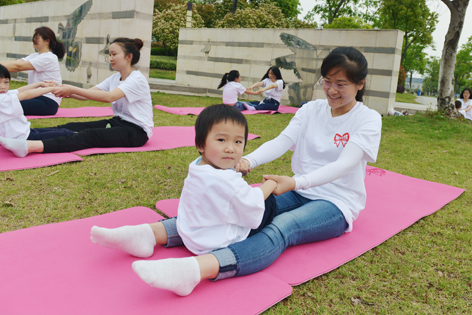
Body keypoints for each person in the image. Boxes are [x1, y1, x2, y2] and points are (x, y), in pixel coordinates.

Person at [127, 47, 382, 297]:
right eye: (327, 82)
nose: (332, 90)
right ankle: (150, 233)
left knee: (283, 226)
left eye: (341, 84)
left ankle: (198, 269)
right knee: (237, 206)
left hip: (335, 202)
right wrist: (247, 160)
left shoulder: (368, 119)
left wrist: (294, 182)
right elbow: (282, 141)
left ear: (360, 84)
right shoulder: (311, 110)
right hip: (300, 189)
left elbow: (344, 165)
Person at [89, 104, 279, 295]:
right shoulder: (227, 180)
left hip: (191, 232)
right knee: (270, 214)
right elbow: (253, 202)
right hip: (215, 243)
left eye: (238, 142)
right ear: (201, 145)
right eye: (222, 140)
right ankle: (193, 269)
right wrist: (270, 185)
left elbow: (221, 182)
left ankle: (144, 234)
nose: (230, 149)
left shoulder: (198, 165)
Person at [0, 38, 153, 157]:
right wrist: (60, 89)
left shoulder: (137, 79)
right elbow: (85, 95)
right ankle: (23, 136)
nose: (110, 58)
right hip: (118, 122)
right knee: (72, 126)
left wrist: (70, 88)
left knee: (89, 136)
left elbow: (109, 97)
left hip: (136, 132)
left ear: (129, 56)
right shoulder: (115, 78)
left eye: (114, 54)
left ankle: (31, 146)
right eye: (109, 55)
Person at [0, 26, 64, 116]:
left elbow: (18, 67)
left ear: (47, 41)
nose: (34, 40)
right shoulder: (34, 56)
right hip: (34, 96)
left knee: (6, 105)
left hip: (47, 101)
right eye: (34, 37)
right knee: (5, 101)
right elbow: (15, 63)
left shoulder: (49, 57)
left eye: (37, 38)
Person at [0, 64, 75, 141]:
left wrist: (40, 84)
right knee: (64, 133)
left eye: (6, 82)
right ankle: (81, 138)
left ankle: (80, 136)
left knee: (60, 131)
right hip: (23, 138)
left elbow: (20, 90)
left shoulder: (4, 94)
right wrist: (52, 89)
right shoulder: (2, 98)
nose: (3, 86)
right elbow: (27, 94)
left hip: (25, 133)